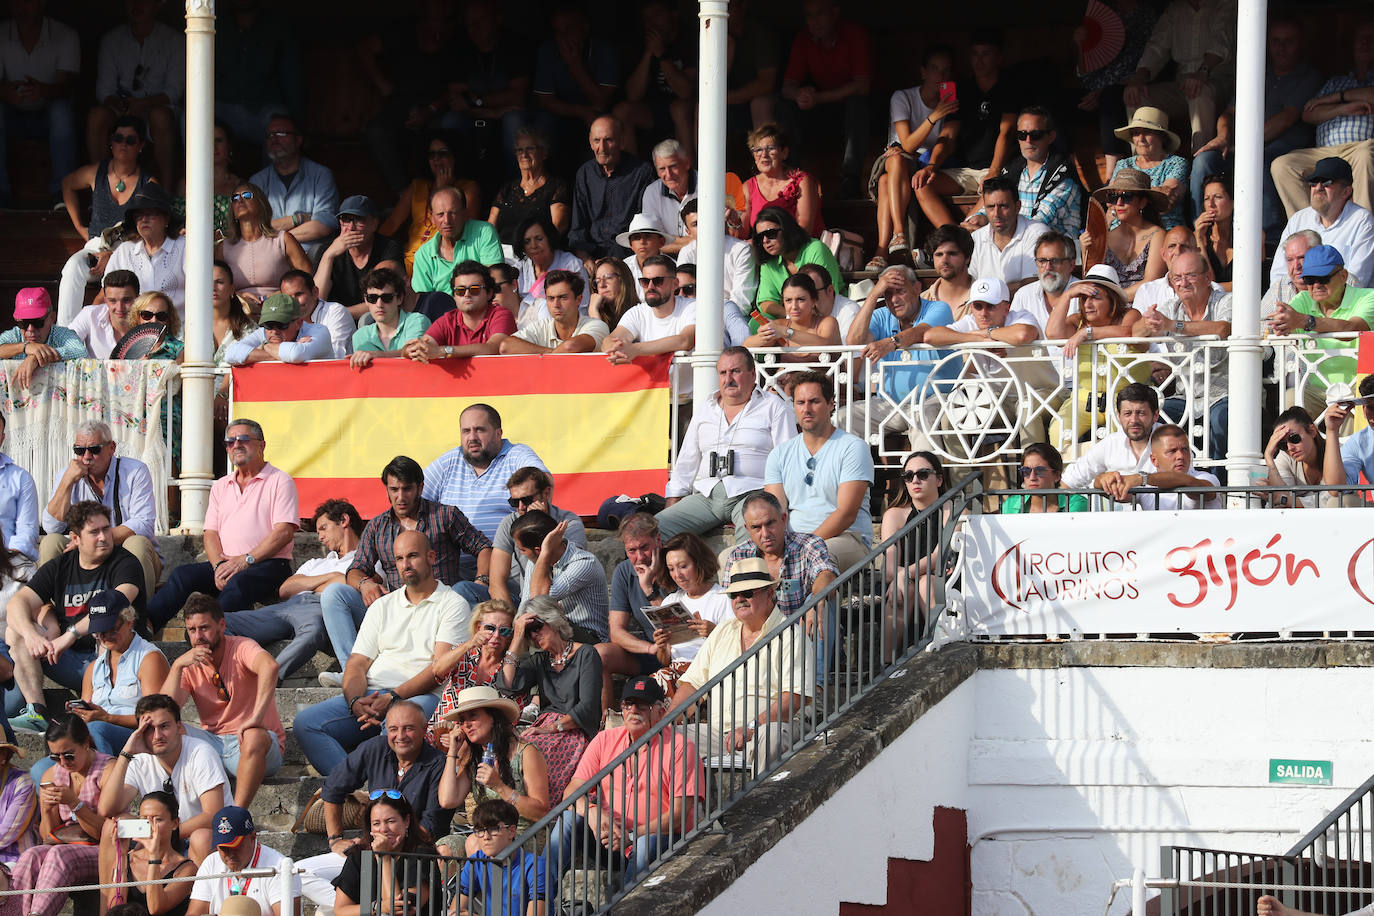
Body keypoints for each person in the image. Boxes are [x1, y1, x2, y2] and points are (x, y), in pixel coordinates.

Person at [295, 531, 468, 775]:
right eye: (399, 559)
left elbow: (439, 670)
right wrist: (355, 701)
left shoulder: (453, 603)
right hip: (372, 695)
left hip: (422, 696)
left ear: (431, 557)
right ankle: (353, 793)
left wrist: (393, 698)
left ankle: (385, 794)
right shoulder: (383, 605)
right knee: (307, 724)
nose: (405, 565)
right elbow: (356, 664)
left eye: (412, 556)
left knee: (398, 721)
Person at [548, 674, 702, 892]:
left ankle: (623, 908)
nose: (633, 710)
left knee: (645, 842)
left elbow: (680, 814)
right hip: (608, 837)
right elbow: (572, 791)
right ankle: (538, 901)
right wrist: (592, 811)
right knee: (569, 819)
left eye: (642, 705)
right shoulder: (604, 740)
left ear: (660, 710)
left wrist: (632, 835)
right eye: (628, 704)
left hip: (657, 838)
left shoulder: (681, 747)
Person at [294, 701, 448, 912]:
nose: (400, 735)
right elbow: (332, 787)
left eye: (409, 728)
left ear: (424, 730)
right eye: (393, 729)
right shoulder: (376, 747)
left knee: (326, 912)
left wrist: (391, 846)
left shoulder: (438, 763)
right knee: (298, 872)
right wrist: (335, 839)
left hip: (411, 853)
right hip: (371, 849)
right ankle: (365, 906)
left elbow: (432, 824)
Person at [145, 419, 298, 630]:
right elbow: (210, 533)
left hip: (267, 564)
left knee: (238, 583)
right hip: (226, 563)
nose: (236, 445)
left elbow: (284, 532)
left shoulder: (280, 481)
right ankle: (144, 626)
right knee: (183, 575)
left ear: (262, 445)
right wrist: (218, 566)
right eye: (230, 442)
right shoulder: (221, 486)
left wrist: (246, 560)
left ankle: (210, 637)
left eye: (243, 439)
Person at [4, 502, 143, 733]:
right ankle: (37, 710)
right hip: (69, 660)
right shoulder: (61, 566)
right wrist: (32, 636)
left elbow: (114, 604)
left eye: (106, 529)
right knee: (16, 630)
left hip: (116, 658)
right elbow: (18, 603)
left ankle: (102, 710)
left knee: (105, 630)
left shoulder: (126, 562)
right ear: (75, 538)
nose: (103, 537)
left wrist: (68, 635)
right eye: (94, 532)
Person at [665, 556, 812, 770]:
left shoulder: (791, 634)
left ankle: (760, 801)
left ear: (770, 593)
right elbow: (692, 685)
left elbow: (794, 698)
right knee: (663, 741)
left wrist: (751, 727)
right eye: (735, 594)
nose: (740, 599)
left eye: (748, 593)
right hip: (719, 733)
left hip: (768, 728)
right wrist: (666, 722)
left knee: (769, 736)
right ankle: (681, 804)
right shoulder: (722, 631)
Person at [657, 347, 795, 540]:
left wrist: (780, 506)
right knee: (653, 532)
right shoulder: (706, 408)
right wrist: (673, 502)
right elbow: (687, 460)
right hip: (707, 496)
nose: (728, 378)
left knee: (753, 536)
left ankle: (747, 570)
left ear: (753, 374)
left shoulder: (774, 407)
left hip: (751, 494)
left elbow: (789, 462)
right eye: (723, 372)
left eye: (735, 371)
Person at [161, 595, 283, 808]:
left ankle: (236, 815)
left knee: (254, 735)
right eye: (192, 630)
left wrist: (255, 718)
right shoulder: (189, 662)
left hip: (254, 746)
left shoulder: (241, 646)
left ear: (221, 625)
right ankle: (169, 807)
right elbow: (161, 712)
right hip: (213, 746)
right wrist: (177, 666)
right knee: (166, 730)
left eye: (204, 628)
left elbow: (270, 666)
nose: (198, 636)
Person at [96, 693, 230, 863]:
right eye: (149, 729)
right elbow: (107, 809)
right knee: (113, 826)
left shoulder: (201, 752)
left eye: (164, 726)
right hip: (158, 833)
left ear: (179, 727)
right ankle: (112, 890)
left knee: (201, 837)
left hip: (196, 835)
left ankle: (201, 889)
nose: (157, 735)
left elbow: (212, 814)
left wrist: (164, 835)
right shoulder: (139, 759)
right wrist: (125, 754)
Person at [910, 30, 1018, 231]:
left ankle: (957, 237)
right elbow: (949, 135)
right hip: (965, 170)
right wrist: (932, 165)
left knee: (992, 188)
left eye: (986, 54)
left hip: (997, 169)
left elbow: (1007, 132)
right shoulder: (959, 89)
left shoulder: (1010, 86)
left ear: (999, 57)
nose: (979, 61)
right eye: (975, 54)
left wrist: (994, 172)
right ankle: (952, 234)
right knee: (922, 183)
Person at [41, 419, 160, 601]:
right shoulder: (68, 474)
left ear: (111, 448)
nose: (86, 457)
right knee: (51, 542)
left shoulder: (135, 471)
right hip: (84, 557)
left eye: (94, 449)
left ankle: (140, 621)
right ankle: (53, 615)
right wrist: (66, 482)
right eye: (79, 451)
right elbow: (51, 527)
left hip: (123, 555)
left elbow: (143, 523)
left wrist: (94, 539)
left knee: (137, 543)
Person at [764, 371, 872, 572]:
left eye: (814, 401)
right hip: (794, 541)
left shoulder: (853, 447)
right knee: (735, 558)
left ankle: (816, 605)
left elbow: (846, 513)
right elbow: (775, 512)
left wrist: (805, 546)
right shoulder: (779, 454)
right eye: (800, 402)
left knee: (817, 558)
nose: (807, 409)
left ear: (831, 404)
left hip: (847, 537)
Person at [5, 717, 111, 916]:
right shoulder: (51, 775)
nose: (63, 763)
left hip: (105, 849)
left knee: (58, 855)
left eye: (69, 755)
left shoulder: (108, 770)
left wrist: (75, 804)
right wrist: (46, 809)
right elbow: (47, 837)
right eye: (55, 757)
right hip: (69, 846)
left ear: (86, 743)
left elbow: (104, 834)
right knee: (31, 855)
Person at [1135, 250, 1233, 462]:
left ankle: (1219, 488)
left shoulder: (1226, 301)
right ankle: (1161, 486)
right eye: (1177, 278)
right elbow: (1136, 335)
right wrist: (1148, 321)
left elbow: (1223, 328)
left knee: (1220, 419)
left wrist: (1172, 325)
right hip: (1185, 397)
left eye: (1190, 276)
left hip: (1225, 395)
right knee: (1151, 416)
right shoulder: (1171, 307)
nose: (1183, 283)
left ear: (1208, 278)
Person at [1270, 20, 1374, 220]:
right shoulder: (1336, 81)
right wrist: (1345, 107)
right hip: (1325, 151)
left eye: (1370, 39)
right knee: (1282, 165)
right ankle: (1309, 230)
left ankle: (1360, 227)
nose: (1365, 43)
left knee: (1365, 155)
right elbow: (1309, 113)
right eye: (1361, 39)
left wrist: (1335, 99)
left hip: (1359, 147)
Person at [499, 596, 602, 799]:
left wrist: (550, 728)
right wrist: (517, 637)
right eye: (529, 632)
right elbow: (507, 685)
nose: (535, 635)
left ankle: (540, 813)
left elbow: (588, 707)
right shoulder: (540, 660)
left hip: (573, 729)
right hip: (543, 729)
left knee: (538, 755)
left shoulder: (586, 654)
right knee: (511, 754)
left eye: (537, 627)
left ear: (553, 620)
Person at [56, 116, 155, 325]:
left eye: (130, 140)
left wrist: (115, 254)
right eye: (118, 138)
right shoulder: (97, 172)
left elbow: (152, 228)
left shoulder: (149, 183)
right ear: (111, 142)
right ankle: (66, 335)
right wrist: (80, 227)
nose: (123, 144)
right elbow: (67, 184)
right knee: (72, 267)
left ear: (141, 145)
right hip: (96, 247)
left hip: (131, 251)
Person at [869, 45, 958, 263]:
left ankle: (882, 251)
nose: (941, 75)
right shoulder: (902, 97)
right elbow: (906, 144)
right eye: (935, 69)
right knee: (897, 159)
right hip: (898, 158)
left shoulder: (950, 103)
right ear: (924, 72)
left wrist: (941, 113)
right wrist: (934, 117)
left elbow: (947, 141)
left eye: (946, 70)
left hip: (925, 165)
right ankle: (899, 232)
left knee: (884, 182)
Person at [845, 265, 955, 442]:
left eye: (900, 291)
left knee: (922, 418)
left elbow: (923, 332)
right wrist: (873, 294)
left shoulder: (939, 308)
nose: (894, 299)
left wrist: (891, 343)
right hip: (889, 404)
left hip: (935, 400)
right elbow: (854, 341)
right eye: (887, 294)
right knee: (844, 418)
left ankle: (925, 470)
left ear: (917, 288)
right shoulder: (881, 315)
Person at [1046, 265, 1148, 449]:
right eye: (1083, 298)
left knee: (1119, 442)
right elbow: (1053, 334)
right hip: (1085, 397)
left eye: (1095, 297)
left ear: (1112, 299)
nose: (1087, 304)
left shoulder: (1129, 315)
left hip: (1126, 398)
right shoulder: (1078, 321)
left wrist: (1088, 333)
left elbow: (1130, 332)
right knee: (1058, 432)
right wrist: (1067, 295)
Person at [436, 685, 550, 848]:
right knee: (445, 849)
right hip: (485, 834)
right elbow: (447, 800)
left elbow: (540, 812)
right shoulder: (473, 757)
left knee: (474, 842)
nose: (466, 725)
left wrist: (499, 787)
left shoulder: (526, 752)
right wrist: (453, 751)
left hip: (523, 836)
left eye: (473, 716)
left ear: (494, 717)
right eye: (462, 720)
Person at [1266, 244, 1374, 415]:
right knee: (1290, 403)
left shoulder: (1369, 297)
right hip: (1317, 391)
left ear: (1343, 276)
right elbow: (1285, 321)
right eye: (1309, 280)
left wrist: (1304, 321)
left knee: (1349, 426)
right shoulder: (1303, 299)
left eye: (1323, 278)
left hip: (1360, 391)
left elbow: (1352, 329)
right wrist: (1281, 323)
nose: (1316, 285)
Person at [422, 405, 548, 549]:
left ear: (498, 434)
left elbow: (543, 480)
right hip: (454, 567)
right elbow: (415, 499)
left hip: (508, 563)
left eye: (480, 430)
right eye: (466, 431)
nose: (472, 437)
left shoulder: (515, 455)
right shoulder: (449, 462)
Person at [87, 0, 182, 186]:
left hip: (159, 108)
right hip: (121, 108)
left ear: (159, 4)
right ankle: (100, 190)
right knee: (96, 116)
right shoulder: (112, 40)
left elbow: (174, 92)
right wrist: (123, 104)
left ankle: (167, 191)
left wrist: (145, 103)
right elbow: (104, 92)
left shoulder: (175, 40)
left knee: (160, 116)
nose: (137, 4)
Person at [69, 588, 169, 757]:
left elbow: (156, 717)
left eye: (112, 629)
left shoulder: (149, 658)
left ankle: (105, 779)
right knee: (40, 768)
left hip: (142, 738)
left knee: (97, 729)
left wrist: (108, 718)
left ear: (129, 621)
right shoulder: (93, 668)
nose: (105, 636)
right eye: (99, 632)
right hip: (97, 736)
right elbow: (86, 714)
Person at [1123, 0, 1232, 152]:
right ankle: (1142, 165)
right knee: (1136, 96)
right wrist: (1138, 78)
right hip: (1182, 82)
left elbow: (1220, 41)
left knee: (1199, 92)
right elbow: (1157, 45)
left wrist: (1202, 72)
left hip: (1219, 78)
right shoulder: (1175, 8)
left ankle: (1201, 164)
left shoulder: (1225, 4)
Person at [0, 0, 77, 207]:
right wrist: (6, 91)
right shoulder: (2, 34)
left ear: (42, 3)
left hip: (47, 117)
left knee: (61, 111)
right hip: (12, 116)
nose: (20, 6)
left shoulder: (64, 35)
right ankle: (1, 194)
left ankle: (63, 194)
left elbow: (67, 87)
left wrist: (43, 91)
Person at [969, 107, 1084, 238]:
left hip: (1055, 254)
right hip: (1017, 246)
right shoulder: (1012, 170)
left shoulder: (1064, 176)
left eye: (1036, 135)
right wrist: (979, 218)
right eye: (1022, 135)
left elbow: (1037, 224)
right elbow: (993, 205)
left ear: (1051, 137)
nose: (1028, 141)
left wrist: (986, 227)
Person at [596, 513, 672, 712]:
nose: (639, 557)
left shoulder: (674, 564)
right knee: (599, 654)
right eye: (632, 550)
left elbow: (677, 624)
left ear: (658, 540)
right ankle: (607, 722)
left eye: (644, 548)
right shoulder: (624, 571)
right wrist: (649, 648)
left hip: (679, 648)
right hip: (652, 650)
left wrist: (649, 589)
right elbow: (616, 631)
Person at [379, 133, 482, 275]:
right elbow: (393, 222)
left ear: (455, 156)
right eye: (431, 154)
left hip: (444, 259)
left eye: (443, 154)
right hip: (410, 259)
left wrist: (443, 190)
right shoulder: (417, 186)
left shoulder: (469, 188)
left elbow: (464, 228)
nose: (436, 159)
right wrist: (373, 246)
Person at [879, 452, 950, 655]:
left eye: (923, 474)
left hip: (947, 579)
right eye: (909, 476)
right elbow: (891, 568)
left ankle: (942, 651)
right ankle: (886, 665)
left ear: (939, 479)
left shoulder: (953, 510)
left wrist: (905, 574)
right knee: (905, 588)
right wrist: (903, 577)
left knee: (926, 583)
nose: (915, 480)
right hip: (906, 583)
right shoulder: (894, 514)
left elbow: (939, 557)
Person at [427, 602, 527, 743]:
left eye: (504, 631)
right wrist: (469, 644)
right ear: (478, 628)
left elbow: (509, 719)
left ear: (510, 636)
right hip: (439, 731)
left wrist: (462, 735)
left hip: (478, 742)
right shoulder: (464, 652)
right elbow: (437, 670)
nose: (496, 635)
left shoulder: (513, 669)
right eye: (490, 628)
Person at [601, 255, 697, 400]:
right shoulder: (638, 312)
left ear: (675, 284)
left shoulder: (692, 306)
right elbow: (611, 339)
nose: (650, 286)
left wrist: (635, 350)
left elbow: (685, 341)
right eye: (645, 281)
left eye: (658, 281)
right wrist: (615, 348)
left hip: (690, 400)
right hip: (652, 401)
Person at [1269, 157, 1374, 288]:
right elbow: (1278, 274)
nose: (1318, 187)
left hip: (1341, 304)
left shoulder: (1362, 221)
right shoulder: (1298, 219)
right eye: (1313, 182)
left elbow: (1357, 281)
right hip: (1295, 299)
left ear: (1346, 192)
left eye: (1326, 183)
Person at [648, 533, 731, 696]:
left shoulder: (722, 598)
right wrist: (662, 646)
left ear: (698, 563)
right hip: (674, 672)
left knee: (658, 683)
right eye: (671, 569)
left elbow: (737, 648)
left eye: (683, 566)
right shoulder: (671, 601)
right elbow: (665, 660)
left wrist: (714, 632)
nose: (677, 575)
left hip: (707, 674)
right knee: (642, 689)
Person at [488, 469, 586, 605]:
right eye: (514, 502)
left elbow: (568, 572)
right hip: (523, 598)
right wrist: (511, 620)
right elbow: (496, 583)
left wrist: (540, 525)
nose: (521, 507)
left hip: (560, 601)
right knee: (466, 589)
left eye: (526, 500)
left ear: (546, 493)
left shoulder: (569, 523)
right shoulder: (509, 522)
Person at [249, 113, 339, 262]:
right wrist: (298, 219)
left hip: (310, 256)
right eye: (270, 135)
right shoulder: (257, 181)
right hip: (269, 258)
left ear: (298, 140)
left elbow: (322, 226)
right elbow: (255, 228)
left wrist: (275, 235)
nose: (274, 139)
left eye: (281, 133)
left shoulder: (321, 175)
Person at [329, 794, 438, 916]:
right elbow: (341, 910)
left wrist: (384, 858)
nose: (383, 829)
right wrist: (377, 907)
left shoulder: (422, 855)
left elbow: (399, 910)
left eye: (390, 821)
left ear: (406, 821)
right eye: (376, 823)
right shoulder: (359, 856)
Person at [568, 115, 656, 263]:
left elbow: (644, 225)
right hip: (591, 256)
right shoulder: (585, 173)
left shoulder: (641, 172)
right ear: (590, 142)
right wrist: (585, 258)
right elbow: (578, 226)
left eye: (608, 140)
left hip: (628, 256)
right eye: (596, 141)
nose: (601, 148)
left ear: (622, 142)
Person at [532, 6, 619, 154]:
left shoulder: (603, 50)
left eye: (568, 29)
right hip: (563, 112)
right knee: (543, 121)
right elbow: (545, 101)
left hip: (596, 113)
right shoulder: (548, 51)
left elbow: (601, 101)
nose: (562, 36)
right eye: (558, 31)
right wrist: (581, 111)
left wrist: (575, 64)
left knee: (600, 124)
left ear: (584, 28)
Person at [512, 512, 608, 644]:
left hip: (589, 638)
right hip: (551, 628)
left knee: (538, 620)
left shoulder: (584, 562)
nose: (521, 554)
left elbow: (540, 600)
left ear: (538, 549)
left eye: (522, 550)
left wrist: (545, 553)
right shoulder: (534, 562)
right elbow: (525, 608)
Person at [613, 0, 696, 154]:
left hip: (687, 107)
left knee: (678, 108)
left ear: (674, 14)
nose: (651, 22)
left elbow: (685, 92)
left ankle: (691, 172)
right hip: (656, 110)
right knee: (622, 111)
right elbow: (633, 95)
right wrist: (648, 53)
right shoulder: (643, 43)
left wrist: (662, 55)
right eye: (646, 18)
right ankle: (634, 175)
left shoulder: (688, 40)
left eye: (657, 14)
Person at [186, 806, 300, 916]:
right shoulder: (210, 863)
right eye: (223, 848)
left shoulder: (279, 867)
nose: (230, 855)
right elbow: (194, 913)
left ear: (253, 837)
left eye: (235, 847)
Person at [97, 790, 194, 916]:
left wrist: (154, 856)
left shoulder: (187, 869)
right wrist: (121, 855)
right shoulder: (128, 859)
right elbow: (116, 908)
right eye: (144, 819)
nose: (150, 826)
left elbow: (156, 908)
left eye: (157, 820)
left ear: (174, 823)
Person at [218, 182, 311, 302]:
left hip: (279, 307)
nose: (239, 200)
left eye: (246, 195)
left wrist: (280, 294)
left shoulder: (283, 239)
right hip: (238, 309)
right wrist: (239, 297)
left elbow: (306, 276)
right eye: (234, 198)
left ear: (261, 204)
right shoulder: (223, 247)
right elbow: (214, 284)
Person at [1082, 169, 1167, 300]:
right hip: (1108, 307)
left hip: (1144, 305)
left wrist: (1115, 300)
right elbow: (1091, 281)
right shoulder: (1106, 237)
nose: (1119, 203)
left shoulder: (1157, 235)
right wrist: (1085, 250)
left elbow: (1152, 282)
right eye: (1114, 197)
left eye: (1127, 196)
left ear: (1142, 202)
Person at [1060, 382, 1162, 490]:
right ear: (1119, 416)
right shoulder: (1111, 443)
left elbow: (1181, 477)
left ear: (1155, 415)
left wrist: (1141, 479)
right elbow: (1068, 481)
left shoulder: (1172, 440)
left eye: (1141, 413)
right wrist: (1098, 481)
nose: (1134, 420)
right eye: (1127, 413)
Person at [104, 184, 186, 318]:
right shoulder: (124, 251)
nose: (144, 219)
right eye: (139, 215)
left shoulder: (184, 247)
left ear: (166, 219)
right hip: (134, 330)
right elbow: (107, 293)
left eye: (151, 214)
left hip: (178, 330)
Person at [315, 195, 404, 318]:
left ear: (374, 224)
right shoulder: (327, 250)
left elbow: (381, 298)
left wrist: (341, 315)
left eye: (358, 220)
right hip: (335, 322)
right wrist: (328, 256)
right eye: (345, 219)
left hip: (376, 317)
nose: (351, 227)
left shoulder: (389, 247)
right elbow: (317, 300)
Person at [454, 798, 547, 914]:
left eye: (493, 829)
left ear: (512, 831)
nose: (485, 837)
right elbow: (455, 911)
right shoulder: (475, 861)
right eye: (480, 830)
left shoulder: (535, 865)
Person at [406, 260, 514, 359]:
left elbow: (493, 348)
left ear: (489, 293)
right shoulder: (447, 321)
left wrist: (443, 351)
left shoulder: (501, 315)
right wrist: (413, 350)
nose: (467, 294)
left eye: (475, 289)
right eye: (460, 291)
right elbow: (422, 346)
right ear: (454, 296)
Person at [751, 206, 842, 320]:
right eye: (760, 237)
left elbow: (826, 298)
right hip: (793, 321)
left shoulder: (815, 249)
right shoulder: (769, 262)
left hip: (830, 317)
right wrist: (791, 316)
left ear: (787, 229)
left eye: (771, 234)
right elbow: (766, 303)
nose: (765, 241)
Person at [487, 126, 571, 246]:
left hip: (538, 252)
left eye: (530, 149)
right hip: (503, 256)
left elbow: (558, 226)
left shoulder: (556, 187)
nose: (524, 155)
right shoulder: (507, 189)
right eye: (519, 150)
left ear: (544, 153)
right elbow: (490, 228)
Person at [1108, 108, 1190, 230]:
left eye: (1147, 132)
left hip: (1164, 230)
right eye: (1136, 133)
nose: (1140, 138)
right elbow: (1111, 200)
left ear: (1162, 136)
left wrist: (1128, 195)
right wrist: (1151, 194)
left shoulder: (1176, 163)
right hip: (1123, 230)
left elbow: (1165, 200)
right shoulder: (1123, 164)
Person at [1106, 423, 1222, 510]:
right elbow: (1113, 492)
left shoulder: (1207, 478)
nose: (1180, 456)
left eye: (1185, 449)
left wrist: (1141, 478)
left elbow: (1184, 480)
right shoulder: (1146, 487)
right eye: (1172, 451)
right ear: (1154, 460)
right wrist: (1101, 480)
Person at [967, 175, 1051, 292]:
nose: (996, 213)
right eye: (991, 207)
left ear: (1017, 207)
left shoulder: (1038, 234)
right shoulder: (976, 238)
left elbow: (1033, 286)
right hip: (984, 308)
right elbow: (969, 284)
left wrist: (987, 292)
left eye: (1003, 206)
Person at [411, 188, 503, 293]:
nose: (447, 220)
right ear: (432, 218)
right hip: (440, 309)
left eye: (453, 213)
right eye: (440, 215)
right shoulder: (423, 255)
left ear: (465, 213)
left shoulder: (483, 232)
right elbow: (423, 302)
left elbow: (494, 282)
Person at [739, 123, 821, 238]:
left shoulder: (802, 181)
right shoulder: (748, 187)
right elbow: (740, 234)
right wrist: (733, 221)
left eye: (770, 148)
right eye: (758, 150)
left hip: (801, 249)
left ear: (784, 152)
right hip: (764, 251)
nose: (764, 155)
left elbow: (805, 228)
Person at [678, 199, 758, 314]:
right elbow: (683, 297)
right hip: (694, 317)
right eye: (696, 224)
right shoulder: (686, 253)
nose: (703, 228)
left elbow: (741, 303)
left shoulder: (741, 250)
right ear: (688, 232)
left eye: (706, 221)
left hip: (731, 319)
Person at [0, 287, 89, 390]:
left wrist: (36, 357)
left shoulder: (62, 334)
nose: (30, 329)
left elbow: (81, 351)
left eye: (38, 322)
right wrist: (25, 347)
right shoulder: (15, 335)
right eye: (23, 323)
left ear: (52, 318)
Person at [501, 270, 608, 355]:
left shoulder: (597, 325)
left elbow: (570, 347)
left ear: (578, 299)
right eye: (551, 298)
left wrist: (541, 356)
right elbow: (505, 346)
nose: (556, 305)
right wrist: (551, 353)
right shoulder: (540, 326)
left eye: (563, 298)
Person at [511, 216, 589, 327]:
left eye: (539, 239)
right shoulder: (519, 269)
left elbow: (583, 307)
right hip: (527, 331)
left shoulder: (571, 264)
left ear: (549, 238)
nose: (533, 246)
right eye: (527, 241)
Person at [222, 291, 334, 366]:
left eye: (281, 325)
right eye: (268, 325)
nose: (274, 331)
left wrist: (263, 348)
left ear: (299, 323)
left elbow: (295, 354)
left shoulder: (319, 331)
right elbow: (231, 353)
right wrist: (268, 348)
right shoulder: (264, 333)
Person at [1263, 406, 1344, 509]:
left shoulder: (1339, 452)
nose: (1290, 447)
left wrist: (1287, 501)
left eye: (1294, 438)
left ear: (1312, 431)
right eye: (1282, 445)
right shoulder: (1285, 456)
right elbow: (1280, 498)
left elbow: (1332, 499)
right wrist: (1268, 456)